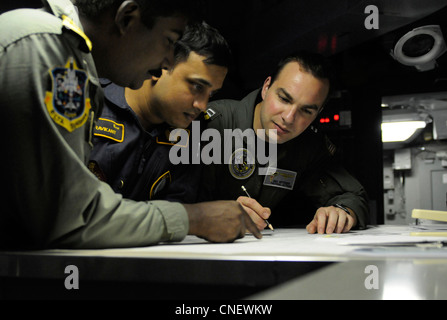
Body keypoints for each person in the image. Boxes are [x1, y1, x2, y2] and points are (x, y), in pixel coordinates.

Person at [0, 0, 261, 250]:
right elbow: (69, 217)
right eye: (169, 41)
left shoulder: (55, 47)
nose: (168, 61)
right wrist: (195, 218)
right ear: (127, 19)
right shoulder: (46, 48)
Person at [199, 51, 369, 234]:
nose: (289, 118)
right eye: (284, 99)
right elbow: (169, 201)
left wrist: (341, 212)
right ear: (266, 87)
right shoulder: (210, 125)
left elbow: (353, 195)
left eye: (306, 111)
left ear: (317, 114)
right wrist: (213, 213)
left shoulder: (309, 145)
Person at [88, 21, 230, 204]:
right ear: (159, 66)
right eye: (197, 86)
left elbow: (181, 212)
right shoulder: (91, 103)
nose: (202, 105)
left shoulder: (192, 135)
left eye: (211, 94)